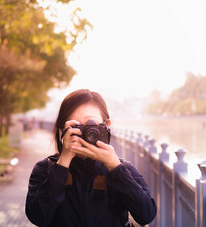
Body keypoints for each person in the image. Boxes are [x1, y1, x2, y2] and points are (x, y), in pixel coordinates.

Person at [25, 89, 157, 227]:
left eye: (90, 124)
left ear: (107, 125)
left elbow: (146, 215)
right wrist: (63, 162)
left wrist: (115, 167)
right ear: (63, 129)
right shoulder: (45, 169)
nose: (85, 132)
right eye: (76, 125)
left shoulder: (122, 169)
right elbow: (38, 217)